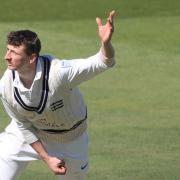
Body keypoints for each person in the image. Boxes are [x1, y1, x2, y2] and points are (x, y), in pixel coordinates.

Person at [0, 10, 116, 180]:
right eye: (8, 50)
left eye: (14, 53)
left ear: (32, 58)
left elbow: (103, 62)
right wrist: (47, 158)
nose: (6, 57)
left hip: (71, 140)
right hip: (26, 135)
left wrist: (105, 43)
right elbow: (23, 126)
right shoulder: (5, 86)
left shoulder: (59, 73)